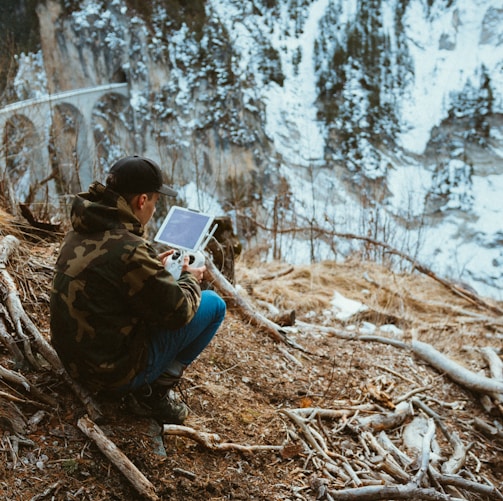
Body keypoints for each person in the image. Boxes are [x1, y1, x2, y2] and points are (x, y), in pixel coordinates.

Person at [50, 155, 226, 424]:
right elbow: (179, 313)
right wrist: (190, 278)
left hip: (74, 363)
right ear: (142, 201)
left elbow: (108, 277)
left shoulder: (81, 229)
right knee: (214, 305)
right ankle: (152, 394)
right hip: (111, 375)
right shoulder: (130, 250)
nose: (154, 209)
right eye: (155, 201)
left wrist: (154, 268)